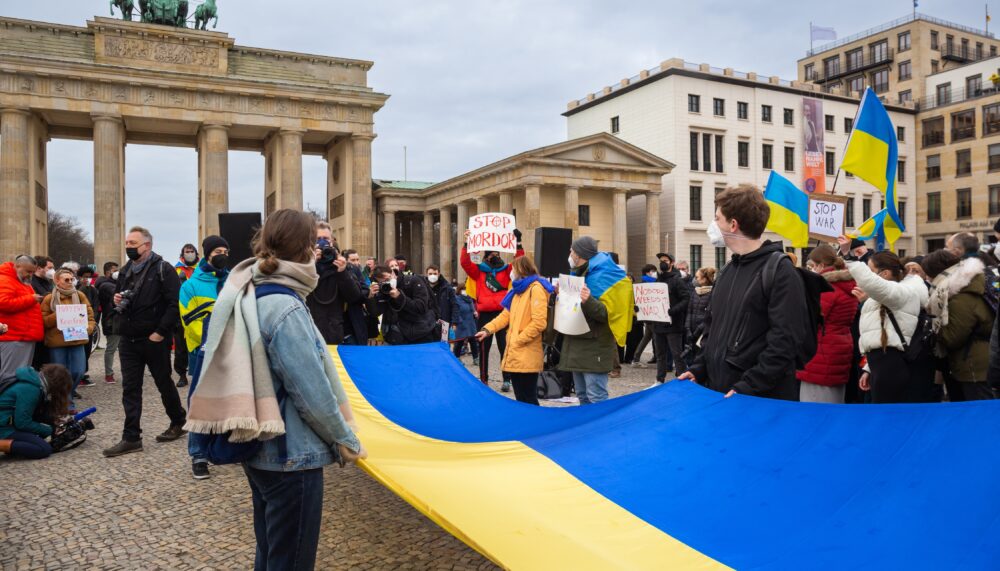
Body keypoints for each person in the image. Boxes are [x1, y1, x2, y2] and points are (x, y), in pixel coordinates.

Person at [186, 209, 364, 570]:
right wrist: (344, 438)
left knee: (270, 551)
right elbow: (311, 391)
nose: (320, 252)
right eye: (316, 244)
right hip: (291, 453)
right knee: (291, 559)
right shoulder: (285, 305)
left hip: (258, 445)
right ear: (304, 249)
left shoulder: (250, 289)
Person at [680, 185, 810, 401]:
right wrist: (699, 368)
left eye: (717, 218)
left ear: (733, 224)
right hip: (722, 394)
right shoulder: (728, 270)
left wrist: (749, 386)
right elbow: (712, 331)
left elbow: (785, 340)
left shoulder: (780, 270)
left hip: (758, 400)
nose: (714, 225)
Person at [103, 226, 187, 458]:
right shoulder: (126, 269)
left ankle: (178, 420)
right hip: (128, 338)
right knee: (130, 387)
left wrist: (160, 332)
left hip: (154, 339)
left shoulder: (164, 269)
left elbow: (174, 304)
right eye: (127, 243)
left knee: (163, 382)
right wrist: (116, 298)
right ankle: (131, 437)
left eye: (133, 243)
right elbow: (118, 298)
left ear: (147, 245)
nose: (128, 247)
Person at [179, 235, 230, 480]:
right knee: (200, 401)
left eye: (225, 251)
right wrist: (212, 340)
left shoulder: (232, 280)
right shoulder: (190, 285)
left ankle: (226, 445)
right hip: (205, 349)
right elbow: (188, 320)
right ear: (207, 253)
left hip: (232, 348)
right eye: (218, 250)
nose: (222, 255)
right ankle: (198, 453)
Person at [848, 251, 929, 404]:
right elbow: (881, 330)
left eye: (871, 271)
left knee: (886, 414)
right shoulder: (892, 293)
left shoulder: (900, 292)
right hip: (881, 363)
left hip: (889, 365)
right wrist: (868, 369)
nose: (869, 275)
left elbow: (870, 283)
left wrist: (849, 258)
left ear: (884, 273)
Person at [475, 256, 553, 404]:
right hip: (516, 353)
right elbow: (505, 316)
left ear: (521, 270)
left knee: (529, 399)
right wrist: (487, 330)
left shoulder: (535, 289)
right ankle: (526, 426)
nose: (512, 272)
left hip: (526, 351)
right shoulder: (517, 291)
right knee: (520, 398)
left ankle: (535, 426)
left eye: (514, 269)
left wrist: (518, 340)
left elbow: (539, 323)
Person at [921, 250, 995, 401]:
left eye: (928, 274)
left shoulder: (961, 296)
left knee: (979, 414)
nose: (927, 279)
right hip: (979, 361)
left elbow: (953, 337)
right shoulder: (973, 285)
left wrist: (934, 327)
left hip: (974, 366)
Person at [460, 229, 525, 392]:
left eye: (497, 253)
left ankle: (507, 380)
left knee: (505, 347)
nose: (495, 256)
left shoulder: (507, 270)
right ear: (486, 256)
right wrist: (466, 243)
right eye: (492, 254)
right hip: (485, 314)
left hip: (503, 314)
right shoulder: (479, 271)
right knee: (484, 348)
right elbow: (465, 263)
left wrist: (518, 243)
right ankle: (484, 379)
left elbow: (520, 263)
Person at [558, 236, 618, 405]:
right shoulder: (577, 274)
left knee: (596, 397)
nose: (569, 254)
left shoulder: (603, 276)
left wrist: (588, 300)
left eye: (572, 250)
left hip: (594, 348)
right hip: (577, 345)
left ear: (580, 254)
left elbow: (607, 314)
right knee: (583, 397)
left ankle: (602, 432)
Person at [796, 246, 857, 403]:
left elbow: (811, 319)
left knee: (813, 408)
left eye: (813, 266)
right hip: (839, 346)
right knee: (834, 403)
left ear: (820, 266)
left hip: (822, 351)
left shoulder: (827, 288)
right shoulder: (847, 284)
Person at [41, 268, 96, 409]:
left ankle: (66, 397)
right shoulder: (49, 299)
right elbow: (44, 321)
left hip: (77, 339)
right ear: (57, 281)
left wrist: (88, 329)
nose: (70, 282)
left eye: (72, 279)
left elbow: (90, 315)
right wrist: (59, 315)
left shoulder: (80, 295)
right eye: (66, 280)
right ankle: (65, 403)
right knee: (59, 375)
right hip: (57, 342)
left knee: (78, 370)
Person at [0, 364, 73, 460]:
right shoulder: (31, 389)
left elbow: (31, 413)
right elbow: (22, 422)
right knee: (43, 449)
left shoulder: (35, 381)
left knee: (38, 437)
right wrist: (50, 430)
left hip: (6, 423)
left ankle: (11, 446)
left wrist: (53, 421)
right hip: (4, 428)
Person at [306, 225, 363, 345]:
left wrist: (342, 273)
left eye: (325, 238)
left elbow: (354, 297)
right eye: (318, 239)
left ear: (332, 241)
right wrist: (309, 264)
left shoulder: (342, 266)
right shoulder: (304, 264)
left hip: (333, 330)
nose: (322, 242)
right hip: (309, 330)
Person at [367, 265, 439, 345]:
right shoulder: (384, 290)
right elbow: (375, 312)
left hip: (421, 334)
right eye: (382, 282)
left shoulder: (413, 281)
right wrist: (370, 297)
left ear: (393, 273)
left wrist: (399, 297)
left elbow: (421, 307)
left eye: (388, 279)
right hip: (398, 336)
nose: (387, 283)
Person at [0, 255, 44, 380]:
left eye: (32, 272)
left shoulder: (19, 280)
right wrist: (31, 299)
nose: (30, 275)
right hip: (14, 336)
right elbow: (3, 303)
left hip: (23, 335)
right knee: (11, 376)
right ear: (17, 266)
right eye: (28, 271)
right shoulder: (5, 280)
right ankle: (6, 399)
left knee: (20, 375)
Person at [651, 253, 691, 385]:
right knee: (660, 355)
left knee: (677, 354)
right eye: (661, 261)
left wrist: (673, 310)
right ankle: (659, 379)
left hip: (673, 323)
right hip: (658, 323)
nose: (663, 263)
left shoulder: (677, 280)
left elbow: (686, 298)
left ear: (671, 263)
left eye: (665, 260)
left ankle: (682, 379)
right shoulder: (658, 280)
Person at [172, 244, 199, 387]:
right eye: (187, 252)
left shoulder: (202, 269)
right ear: (182, 254)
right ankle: (182, 374)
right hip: (181, 314)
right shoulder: (176, 270)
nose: (189, 254)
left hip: (200, 313)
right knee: (181, 347)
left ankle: (200, 372)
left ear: (196, 253)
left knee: (200, 345)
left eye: (192, 251)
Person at [95, 262, 120, 384]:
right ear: (108, 272)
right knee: (111, 348)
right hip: (112, 320)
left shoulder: (111, 284)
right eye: (114, 270)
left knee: (123, 347)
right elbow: (118, 294)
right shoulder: (105, 285)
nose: (117, 272)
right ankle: (108, 374)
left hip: (117, 320)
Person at [684, 267, 716, 363]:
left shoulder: (713, 293)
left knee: (700, 359)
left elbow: (710, 315)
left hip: (703, 333)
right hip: (691, 331)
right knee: (690, 359)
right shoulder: (695, 292)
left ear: (705, 279)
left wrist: (698, 331)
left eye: (697, 277)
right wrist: (688, 329)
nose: (695, 279)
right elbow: (689, 311)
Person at [341, 249, 372, 345]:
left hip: (356, 321)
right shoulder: (340, 273)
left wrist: (357, 295)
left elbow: (366, 290)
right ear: (346, 261)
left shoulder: (358, 272)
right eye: (353, 260)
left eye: (357, 260)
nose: (356, 263)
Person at [630, 264, 658, 367]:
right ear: (647, 272)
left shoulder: (645, 283)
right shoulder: (647, 284)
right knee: (656, 337)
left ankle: (636, 358)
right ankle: (660, 359)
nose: (655, 273)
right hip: (651, 315)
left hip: (649, 315)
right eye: (653, 271)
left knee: (647, 337)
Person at [426, 265, 456, 341]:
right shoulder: (422, 287)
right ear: (426, 274)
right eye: (430, 274)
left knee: (443, 346)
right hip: (427, 323)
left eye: (435, 273)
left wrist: (454, 322)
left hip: (444, 324)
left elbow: (455, 305)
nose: (432, 276)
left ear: (439, 274)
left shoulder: (448, 288)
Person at [452, 283, 479, 364]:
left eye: (466, 289)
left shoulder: (469, 299)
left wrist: (475, 312)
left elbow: (472, 309)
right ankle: (456, 357)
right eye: (463, 289)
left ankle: (476, 358)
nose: (464, 291)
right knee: (459, 342)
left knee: (473, 341)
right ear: (459, 290)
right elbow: (456, 312)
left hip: (470, 323)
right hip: (461, 323)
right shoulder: (456, 299)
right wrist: (459, 322)